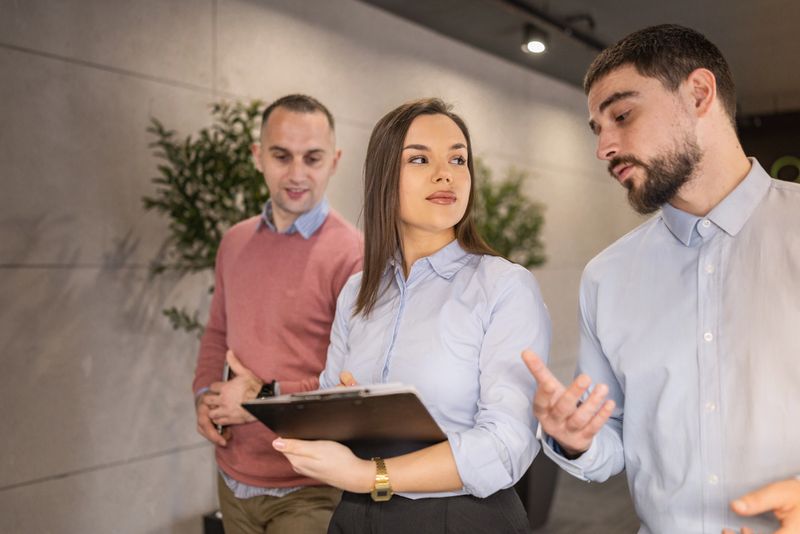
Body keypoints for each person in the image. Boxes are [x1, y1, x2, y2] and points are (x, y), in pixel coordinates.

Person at [522, 24, 800, 534]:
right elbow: (614, 440)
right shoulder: (606, 277)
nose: (604, 147)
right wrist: (573, 437)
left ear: (698, 93)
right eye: (597, 128)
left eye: (622, 116)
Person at [271, 98, 551, 533]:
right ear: (384, 178)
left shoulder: (503, 287)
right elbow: (329, 404)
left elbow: (506, 445)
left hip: (460, 518)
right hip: (355, 516)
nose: (446, 173)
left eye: (458, 159)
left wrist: (371, 475)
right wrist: (340, 414)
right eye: (420, 159)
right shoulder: (356, 292)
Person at [192, 94, 363, 534]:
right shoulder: (234, 241)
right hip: (234, 474)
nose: (297, 174)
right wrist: (204, 398)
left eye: (313, 158)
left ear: (335, 161)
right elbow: (216, 333)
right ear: (258, 156)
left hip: (309, 482)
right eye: (281, 156)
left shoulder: (353, 255)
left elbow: (354, 378)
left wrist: (263, 399)